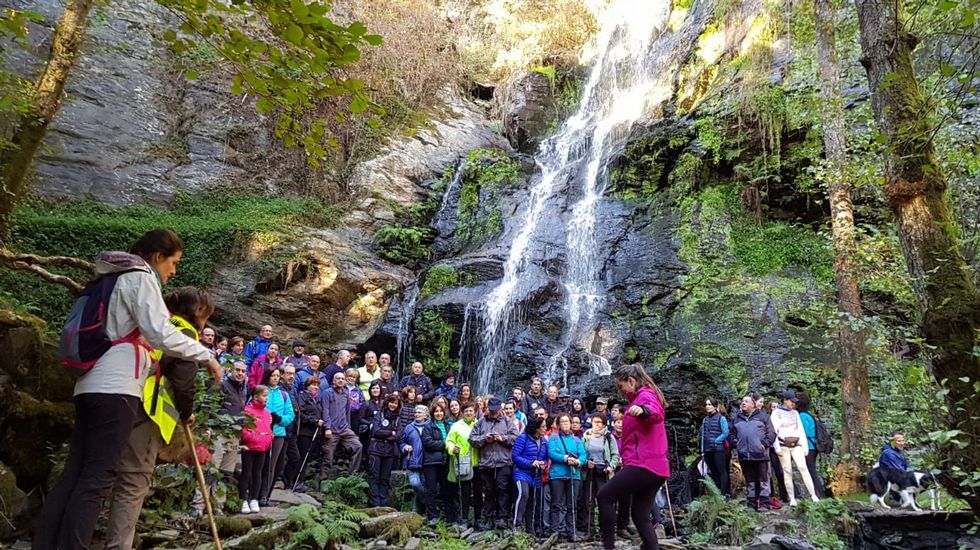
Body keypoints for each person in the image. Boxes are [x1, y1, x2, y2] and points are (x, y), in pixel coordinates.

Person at [36, 230, 219, 550]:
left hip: (89, 383)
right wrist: (207, 357)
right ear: (158, 256)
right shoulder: (140, 277)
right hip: (117, 388)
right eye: (173, 262)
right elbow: (160, 333)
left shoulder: (106, 280)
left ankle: (47, 543)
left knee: (76, 472)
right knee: (97, 478)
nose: (173, 271)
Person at [105, 287, 216, 548]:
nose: (206, 322)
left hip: (117, 398)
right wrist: (187, 413)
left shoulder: (154, 324)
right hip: (144, 412)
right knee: (133, 484)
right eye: (206, 315)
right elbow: (183, 383)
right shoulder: (185, 333)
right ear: (198, 312)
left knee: (101, 476)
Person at [597, 363, 669, 550]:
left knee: (604, 496)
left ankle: (608, 546)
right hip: (657, 468)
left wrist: (644, 411)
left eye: (620, 386)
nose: (620, 391)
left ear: (630, 381)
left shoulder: (645, 395)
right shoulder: (639, 397)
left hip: (643, 464)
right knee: (639, 514)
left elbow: (656, 413)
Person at [470, 397, 519, 529]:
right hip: (486, 463)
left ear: (500, 410)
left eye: (496, 411)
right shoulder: (481, 422)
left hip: (503, 462)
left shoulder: (508, 422)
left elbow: (515, 438)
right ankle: (489, 519)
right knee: (489, 491)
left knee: (503, 490)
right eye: (491, 411)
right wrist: (484, 439)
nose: (493, 413)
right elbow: (472, 439)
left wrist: (502, 439)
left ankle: (503, 518)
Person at [771, 391, 819, 505]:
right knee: (787, 471)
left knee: (803, 467)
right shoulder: (776, 413)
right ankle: (792, 498)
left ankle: (813, 495)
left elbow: (800, 430)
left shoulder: (796, 413)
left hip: (796, 444)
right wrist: (777, 448)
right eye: (791, 401)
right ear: (785, 400)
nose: (793, 403)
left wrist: (804, 446)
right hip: (783, 445)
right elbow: (774, 432)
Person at [548, 413, 586, 541]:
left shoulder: (577, 440)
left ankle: (571, 532)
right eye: (562, 422)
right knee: (556, 504)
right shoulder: (553, 438)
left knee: (572, 505)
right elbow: (551, 453)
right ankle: (554, 532)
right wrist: (565, 458)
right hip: (557, 474)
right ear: (558, 425)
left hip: (573, 474)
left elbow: (583, 454)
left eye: (567, 421)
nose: (565, 424)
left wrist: (578, 461)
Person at [732, 395, 775, 510]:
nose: (743, 403)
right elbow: (732, 434)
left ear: (753, 404)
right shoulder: (737, 418)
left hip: (760, 454)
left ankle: (764, 503)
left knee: (763, 480)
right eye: (742, 401)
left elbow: (771, 433)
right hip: (744, 455)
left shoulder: (763, 417)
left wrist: (764, 445)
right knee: (750, 480)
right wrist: (736, 444)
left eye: (746, 401)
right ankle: (751, 504)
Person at [580, 415, 620, 537]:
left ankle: (605, 529)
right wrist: (586, 462)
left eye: (599, 422)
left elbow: (615, 455)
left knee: (604, 501)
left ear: (604, 424)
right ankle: (589, 529)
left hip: (603, 472)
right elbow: (581, 453)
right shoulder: (586, 436)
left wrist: (611, 466)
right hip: (589, 471)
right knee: (588, 501)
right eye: (594, 422)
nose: (596, 424)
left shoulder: (608, 437)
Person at [319, 371, 363, 477]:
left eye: (342, 379)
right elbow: (325, 411)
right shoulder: (327, 392)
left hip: (344, 429)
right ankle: (323, 480)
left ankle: (353, 475)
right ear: (333, 380)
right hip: (331, 429)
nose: (340, 380)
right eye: (338, 378)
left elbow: (347, 412)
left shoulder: (345, 394)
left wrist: (348, 427)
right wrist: (327, 428)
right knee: (328, 455)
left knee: (358, 446)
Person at [261, 367, 295, 504]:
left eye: (277, 376)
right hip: (262, 432)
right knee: (263, 465)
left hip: (279, 433)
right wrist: (265, 420)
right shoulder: (261, 391)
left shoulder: (284, 394)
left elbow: (290, 415)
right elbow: (252, 408)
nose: (275, 378)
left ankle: (266, 496)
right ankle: (258, 494)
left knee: (275, 465)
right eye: (272, 375)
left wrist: (279, 419)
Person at [240, 385, 274, 513]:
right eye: (264, 395)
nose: (266, 398)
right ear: (255, 396)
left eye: (267, 396)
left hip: (262, 447)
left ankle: (254, 499)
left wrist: (269, 437)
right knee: (246, 473)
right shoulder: (247, 411)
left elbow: (268, 429)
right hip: (249, 446)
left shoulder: (266, 413)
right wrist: (252, 438)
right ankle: (243, 499)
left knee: (258, 473)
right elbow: (243, 430)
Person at [211, 360, 249, 477]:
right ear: (230, 370)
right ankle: (202, 496)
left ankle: (219, 496)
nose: (240, 373)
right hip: (219, 434)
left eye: (243, 371)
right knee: (211, 471)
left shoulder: (242, 390)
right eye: (237, 370)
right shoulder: (221, 385)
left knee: (226, 474)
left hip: (234, 435)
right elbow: (208, 406)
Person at [447, 402, 481, 528]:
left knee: (478, 493)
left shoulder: (480, 424)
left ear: (475, 412)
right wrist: (452, 448)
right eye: (466, 411)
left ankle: (478, 519)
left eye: (471, 411)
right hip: (463, 462)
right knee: (464, 492)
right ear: (462, 412)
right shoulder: (456, 426)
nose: (468, 413)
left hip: (478, 462)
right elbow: (449, 441)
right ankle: (465, 519)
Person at [512, 417, 548, 536]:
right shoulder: (523, 438)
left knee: (533, 501)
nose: (545, 428)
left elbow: (545, 457)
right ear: (536, 428)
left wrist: (543, 464)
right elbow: (515, 456)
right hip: (522, 472)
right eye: (543, 426)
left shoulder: (543, 441)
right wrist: (530, 463)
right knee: (524, 494)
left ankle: (529, 528)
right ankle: (516, 525)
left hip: (536, 474)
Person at [367, 394, 402, 506]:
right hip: (375, 450)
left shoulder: (397, 419)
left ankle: (384, 502)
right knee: (374, 476)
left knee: (385, 478)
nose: (393, 405)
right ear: (387, 403)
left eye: (396, 403)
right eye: (391, 402)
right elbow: (376, 431)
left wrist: (387, 434)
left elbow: (398, 435)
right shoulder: (379, 415)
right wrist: (390, 433)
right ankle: (374, 503)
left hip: (389, 451)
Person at [423, 402, 452, 526]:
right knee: (431, 490)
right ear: (432, 413)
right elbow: (428, 443)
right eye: (436, 411)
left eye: (441, 411)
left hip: (445, 461)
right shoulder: (428, 426)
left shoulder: (447, 425)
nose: (439, 413)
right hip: (431, 462)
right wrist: (445, 444)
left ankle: (450, 517)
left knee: (447, 489)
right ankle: (432, 517)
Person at [795, 391, 825, 498]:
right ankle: (817, 494)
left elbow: (804, 433)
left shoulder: (802, 416)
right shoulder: (808, 414)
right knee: (811, 470)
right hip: (811, 446)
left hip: (808, 447)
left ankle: (819, 494)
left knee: (811, 471)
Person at [295, 376, 323, 490]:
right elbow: (301, 413)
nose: (315, 387)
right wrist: (314, 421)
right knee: (301, 457)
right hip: (304, 432)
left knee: (307, 458)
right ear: (307, 385)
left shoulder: (316, 398)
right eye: (313, 384)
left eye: (317, 385)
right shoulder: (303, 396)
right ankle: (296, 481)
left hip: (314, 432)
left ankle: (302, 481)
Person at [401, 405, 429, 516]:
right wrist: (405, 447)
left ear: (426, 415)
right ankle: (429, 505)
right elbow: (401, 441)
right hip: (412, 461)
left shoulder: (430, 426)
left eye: (419, 413)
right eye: (416, 412)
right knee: (415, 484)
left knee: (423, 486)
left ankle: (416, 512)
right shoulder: (409, 427)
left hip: (427, 462)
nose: (416, 414)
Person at [700, 398, 731, 496]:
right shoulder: (705, 419)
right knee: (713, 472)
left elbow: (725, 432)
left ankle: (723, 494)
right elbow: (702, 435)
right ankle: (716, 494)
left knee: (722, 471)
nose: (707, 406)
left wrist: (716, 441)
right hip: (708, 449)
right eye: (706, 404)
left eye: (709, 404)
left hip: (718, 449)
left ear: (715, 406)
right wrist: (702, 449)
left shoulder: (721, 418)